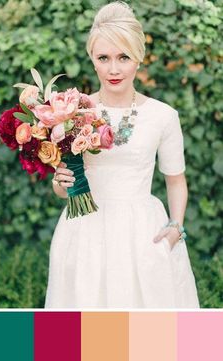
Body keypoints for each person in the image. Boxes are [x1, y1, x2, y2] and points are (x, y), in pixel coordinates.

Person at [44, 1, 200, 308]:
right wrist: (60, 182)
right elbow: (63, 188)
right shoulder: (71, 111)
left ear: (138, 59)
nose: (113, 69)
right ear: (93, 60)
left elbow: (176, 180)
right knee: (82, 336)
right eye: (104, 57)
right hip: (83, 232)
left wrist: (175, 229)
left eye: (123, 57)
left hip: (142, 234)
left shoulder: (163, 116)